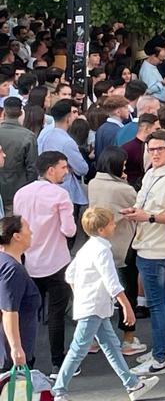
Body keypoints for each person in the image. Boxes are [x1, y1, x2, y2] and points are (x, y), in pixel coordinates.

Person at [50, 207, 160, 401]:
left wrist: (81, 293)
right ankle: (59, 390)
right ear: (102, 229)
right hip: (95, 307)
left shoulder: (87, 248)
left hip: (91, 306)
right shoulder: (102, 250)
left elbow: (70, 274)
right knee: (80, 348)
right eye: (111, 223)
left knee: (110, 345)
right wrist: (126, 305)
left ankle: (132, 384)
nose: (114, 225)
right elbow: (112, 282)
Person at [122, 130, 165, 377]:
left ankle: (159, 356)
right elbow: (148, 206)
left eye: (160, 149)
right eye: (152, 149)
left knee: (158, 304)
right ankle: (160, 351)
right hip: (145, 243)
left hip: (155, 248)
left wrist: (147, 216)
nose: (156, 153)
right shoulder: (152, 173)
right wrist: (136, 211)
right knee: (158, 303)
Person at [13, 151, 76, 376]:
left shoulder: (21, 193)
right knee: (56, 314)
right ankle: (58, 363)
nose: (65, 171)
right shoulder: (60, 195)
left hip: (28, 262)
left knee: (28, 315)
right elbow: (69, 229)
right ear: (51, 169)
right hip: (57, 262)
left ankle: (27, 363)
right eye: (63, 167)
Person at [88, 147, 145, 356]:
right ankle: (128, 339)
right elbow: (138, 207)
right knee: (126, 290)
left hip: (98, 243)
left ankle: (93, 339)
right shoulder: (124, 190)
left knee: (99, 292)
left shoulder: (93, 184)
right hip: (124, 245)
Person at [0, 215, 40, 372]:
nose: (31, 233)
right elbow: (9, 311)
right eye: (27, 229)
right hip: (9, 355)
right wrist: (16, 348)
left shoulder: (5, 262)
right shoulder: (13, 270)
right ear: (16, 236)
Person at [0, 97, 37, 213]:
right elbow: (32, 168)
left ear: (4, 112)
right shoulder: (28, 136)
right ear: (21, 112)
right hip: (18, 190)